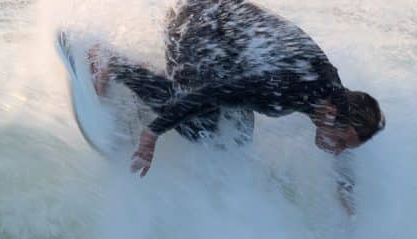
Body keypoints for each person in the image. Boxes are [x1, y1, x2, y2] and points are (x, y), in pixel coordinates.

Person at [90, 0, 385, 213]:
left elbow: (344, 136)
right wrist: (151, 136)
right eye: (342, 143)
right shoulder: (285, 91)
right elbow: (212, 94)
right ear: (334, 115)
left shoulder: (331, 91)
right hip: (194, 23)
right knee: (201, 124)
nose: (338, 150)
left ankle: (153, 89)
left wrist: (346, 190)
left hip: (217, 29)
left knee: (237, 134)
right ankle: (112, 62)